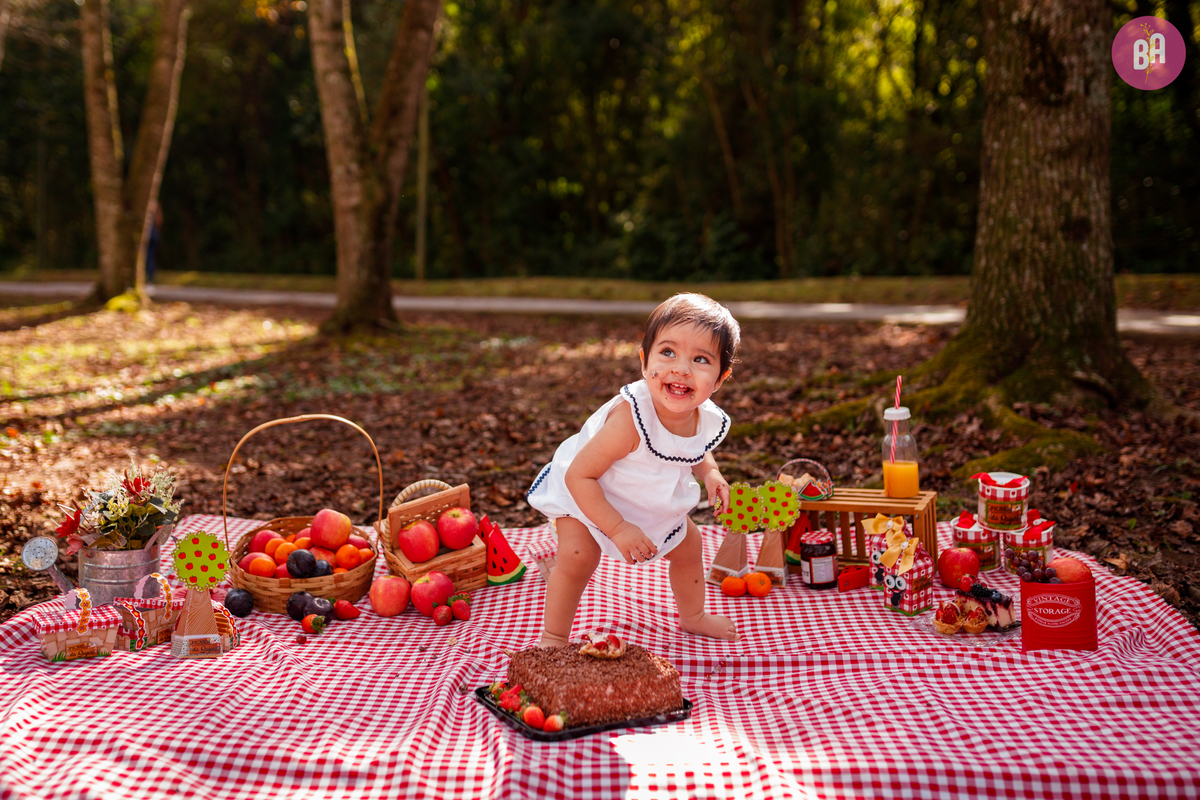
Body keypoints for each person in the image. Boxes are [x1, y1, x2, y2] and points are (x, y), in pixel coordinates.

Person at [527, 293, 741, 646]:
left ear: (720, 379)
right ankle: (553, 636)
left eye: (700, 359)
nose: (681, 368)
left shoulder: (703, 418)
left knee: (690, 546)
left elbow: (694, 449)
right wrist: (618, 527)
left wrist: (711, 475)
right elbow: (579, 476)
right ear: (644, 361)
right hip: (589, 494)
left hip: (644, 497)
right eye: (668, 352)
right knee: (579, 556)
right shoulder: (630, 420)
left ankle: (693, 615)